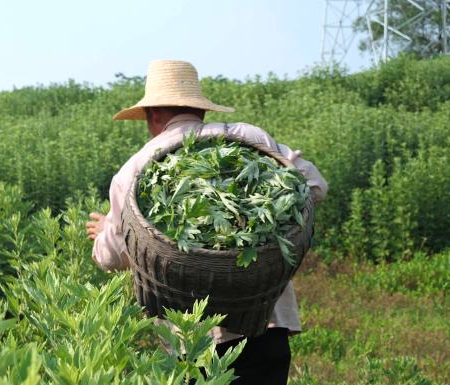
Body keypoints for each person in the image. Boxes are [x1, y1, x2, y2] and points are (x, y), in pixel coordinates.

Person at [85, 59, 327, 385]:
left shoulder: (137, 168)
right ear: (200, 110)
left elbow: (113, 256)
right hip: (266, 325)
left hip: (195, 342)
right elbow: (315, 186)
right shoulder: (246, 138)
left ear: (153, 114)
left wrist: (104, 234)